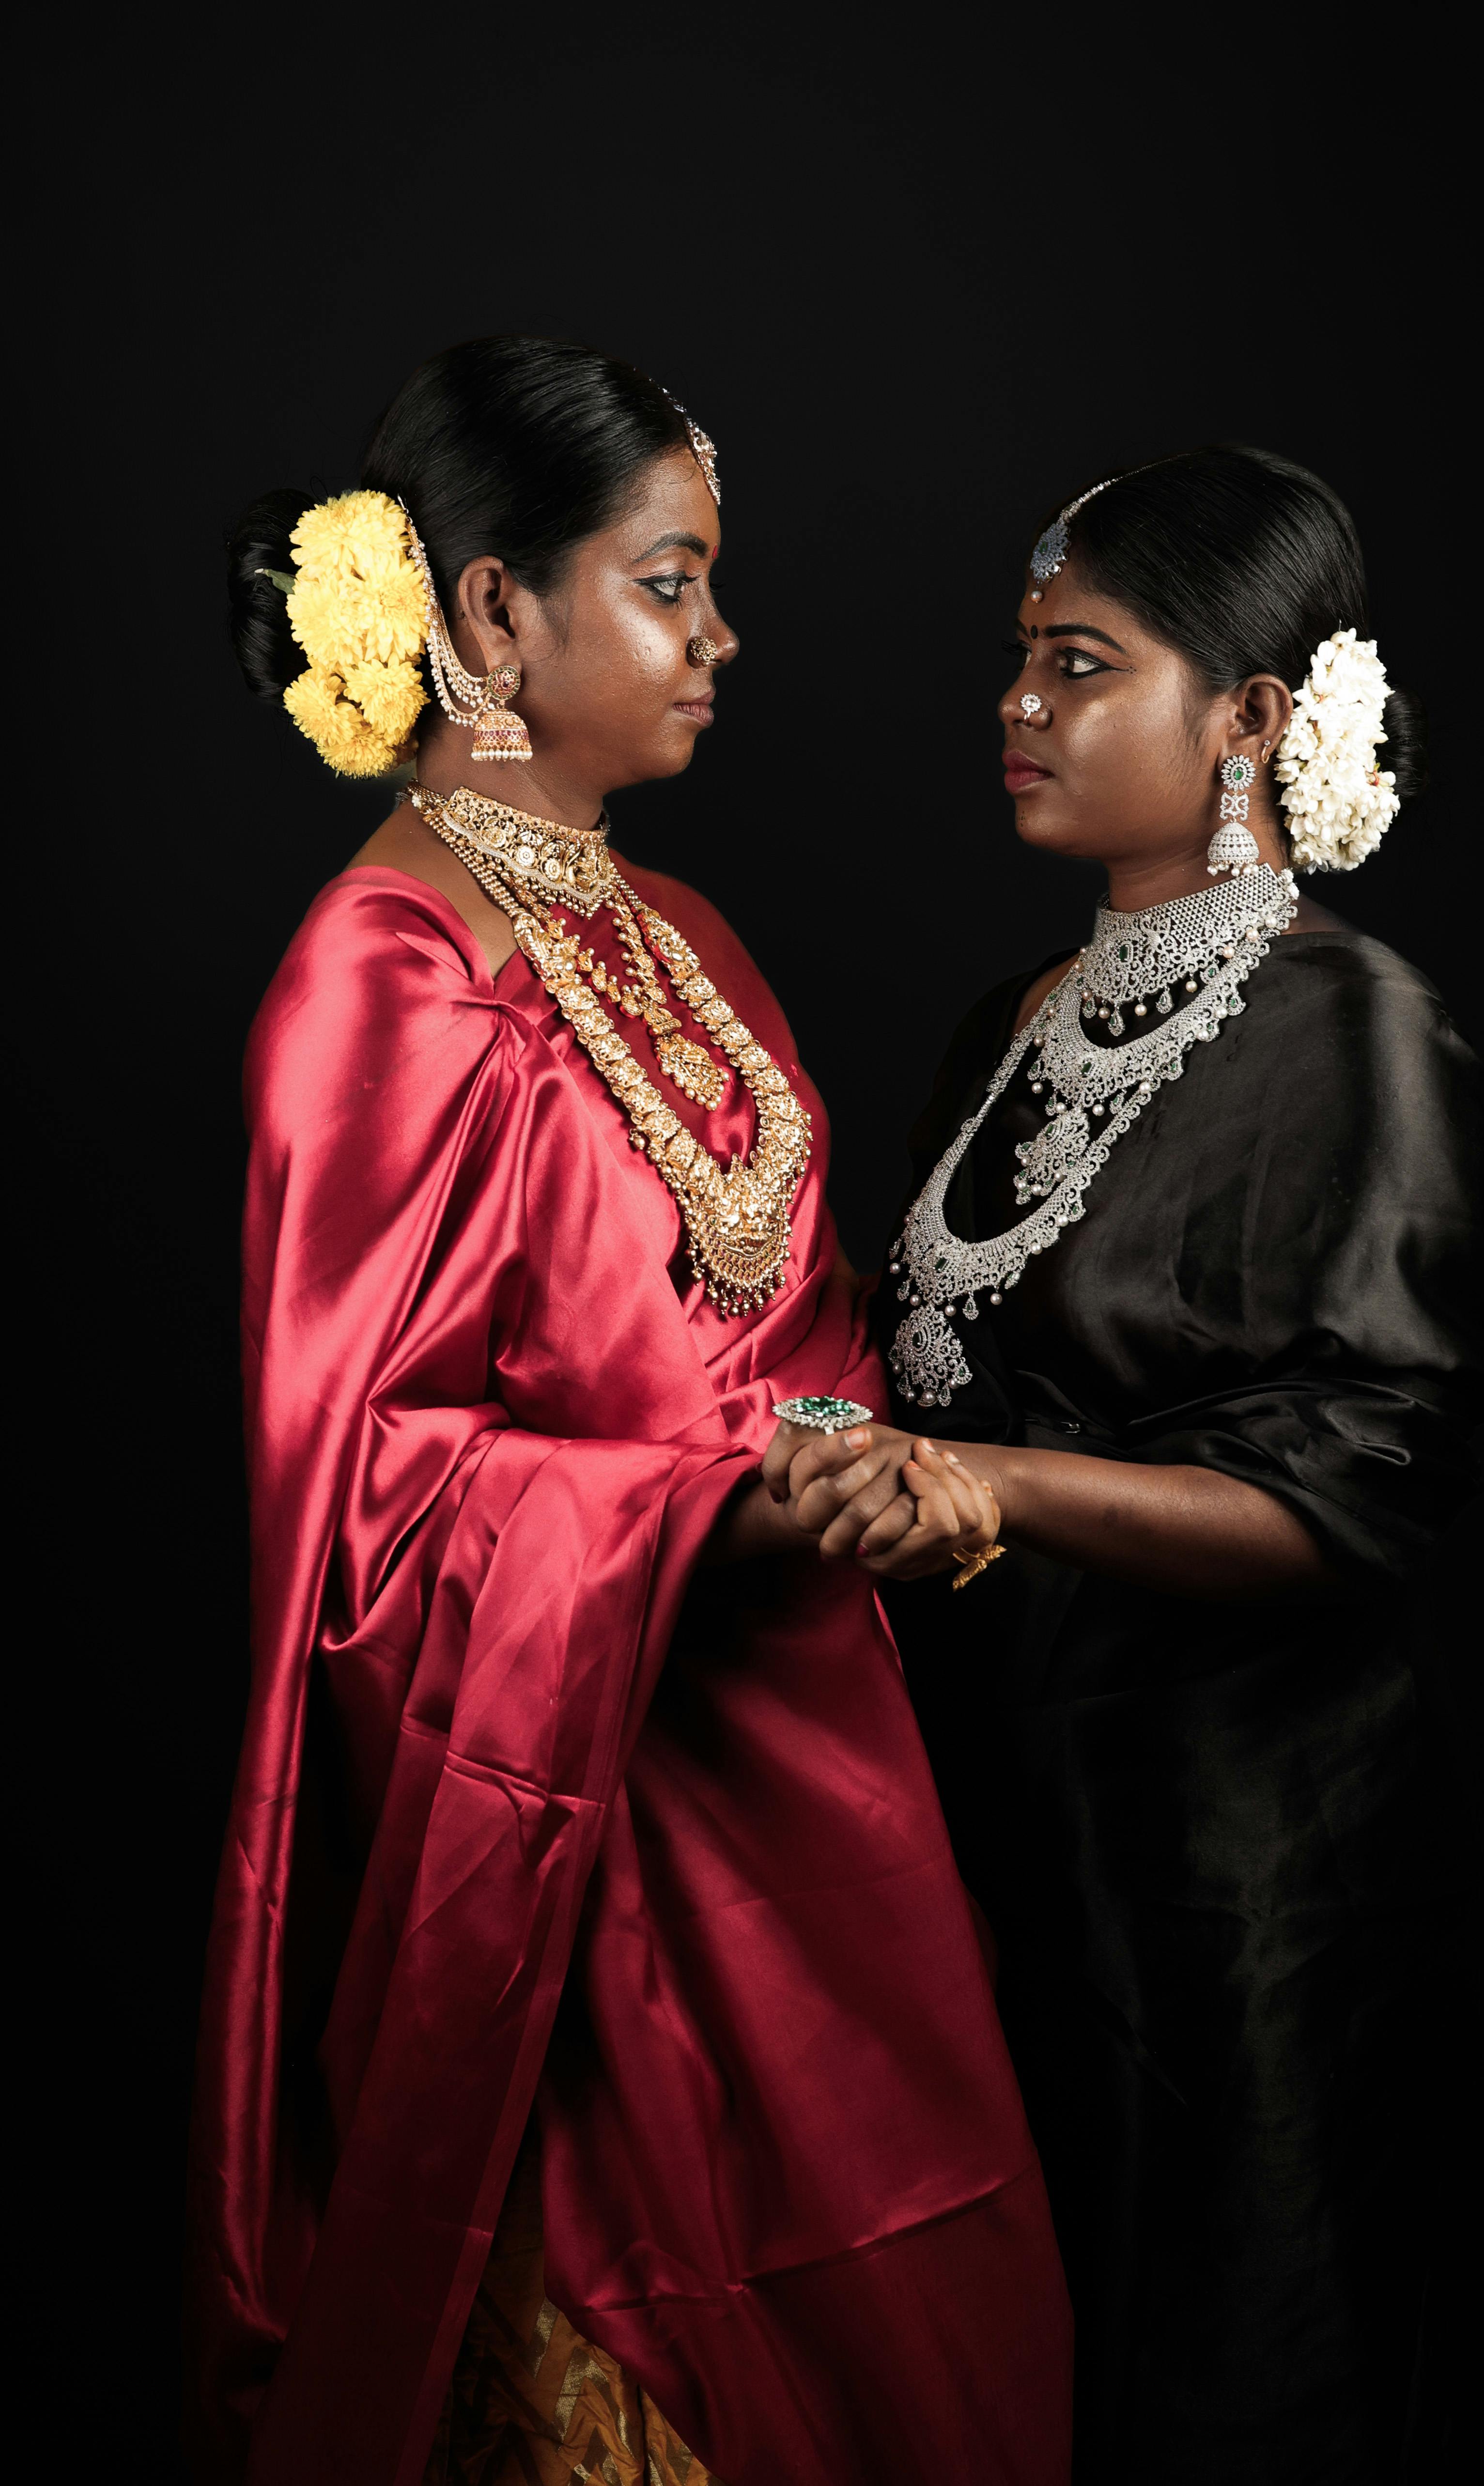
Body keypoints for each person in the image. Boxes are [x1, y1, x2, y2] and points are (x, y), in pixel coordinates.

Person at [189, 335, 1070, 2486]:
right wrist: (723, 1510)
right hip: (568, 1842)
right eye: (671, 582)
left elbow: (797, 1328)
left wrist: (882, 1468)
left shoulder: (683, 934)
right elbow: (368, 1506)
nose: (722, 636)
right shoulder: (382, 974)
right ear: (492, 615)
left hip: (809, 1786)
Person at [775, 446, 1484, 2481]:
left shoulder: (1354, 1029)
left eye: (1077, 664)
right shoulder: (1009, 1025)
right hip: (1003, 1856)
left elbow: (1349, 1495)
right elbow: (912, 1380)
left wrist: (987, 1491)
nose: (1016, 707)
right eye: (1018, 660)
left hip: (1243, 1897)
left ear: (1252, 718)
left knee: (1227, 2382)